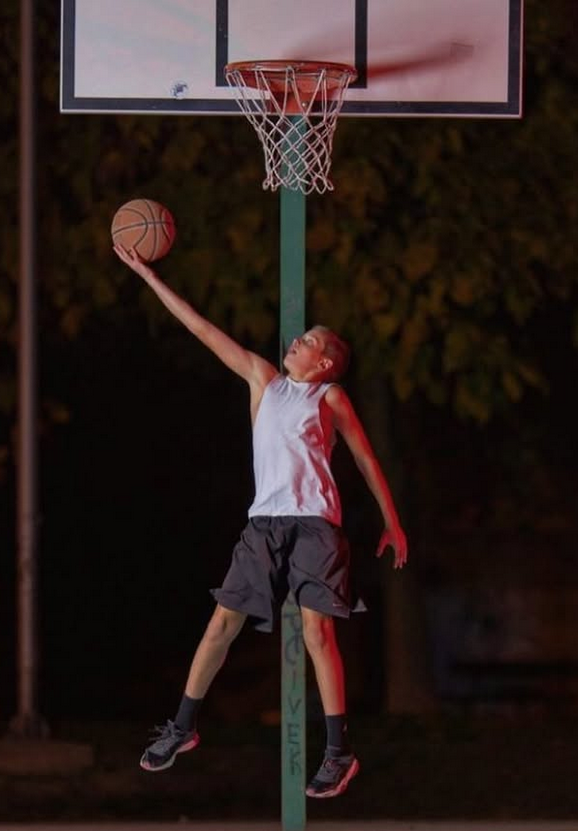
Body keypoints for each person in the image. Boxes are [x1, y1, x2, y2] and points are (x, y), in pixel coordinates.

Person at [114, 243, 408, 798]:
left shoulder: (330, 395)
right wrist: (147, 276)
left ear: (322, 363)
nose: (296, 340)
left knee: (319, 634)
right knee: (221, 624)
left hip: (316, 525)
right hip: (264, 524)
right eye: (302, 336)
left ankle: (340, 753)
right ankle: (182, 726)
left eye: (309, 341)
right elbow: (201, 330)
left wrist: (392, 521)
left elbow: (367, 457)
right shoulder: (262, 380)